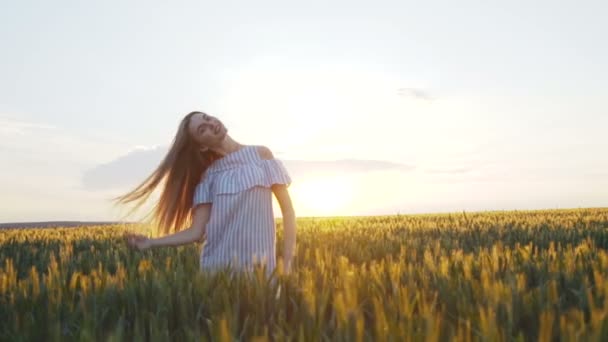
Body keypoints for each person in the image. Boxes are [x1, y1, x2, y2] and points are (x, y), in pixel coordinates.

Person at [117, 111, 297, 276]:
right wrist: (151, 243)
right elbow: (196, 232)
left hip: (262, 272)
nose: (210, 124)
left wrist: (288, 262)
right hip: (218, 273)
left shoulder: (261, 154)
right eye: (202, 130)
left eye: (207, 118)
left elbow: (288, 211)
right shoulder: (209, 176)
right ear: (202, 147)